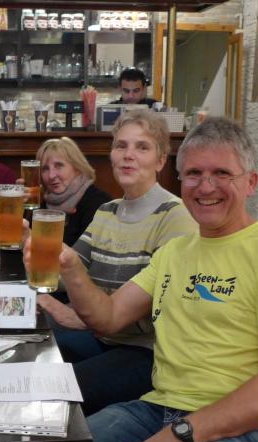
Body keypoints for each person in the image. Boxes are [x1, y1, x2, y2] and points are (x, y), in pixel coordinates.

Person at [10, 117, 258, 442]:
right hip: (158, 409)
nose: (205, 186)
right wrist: (69, 266)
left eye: (222, 173)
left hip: (250, 434)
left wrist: (182, 434)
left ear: (251, 182)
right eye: (193, 174)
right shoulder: (175, 252)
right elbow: (108, 317)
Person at [39, 110, 196, 414]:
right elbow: (66, 273)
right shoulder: (108, 210)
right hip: (104, 338)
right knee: (33, 354)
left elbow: (151, 312)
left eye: (142, 147)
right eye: (121, 146)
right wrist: (27, 242)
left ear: (161, 161)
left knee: (56, 390)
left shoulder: (176, 215)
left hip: (149, 353)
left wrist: (75, 315)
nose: (128, 155)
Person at [35, 137, 111, 246]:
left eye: (59, 166)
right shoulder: (41, 203)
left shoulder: (98, 203)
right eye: (45, 169)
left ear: (77, 167)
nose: (51, 176)